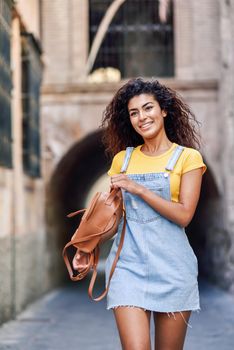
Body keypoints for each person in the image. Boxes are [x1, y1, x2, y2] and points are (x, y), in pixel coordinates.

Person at [101, 77, 207, 350]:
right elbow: (113, 219)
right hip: (128, 266)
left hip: (173, 267)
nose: (141, 117)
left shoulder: (188, 158)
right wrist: (86, 245)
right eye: (134, 112)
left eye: (148, 108)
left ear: (163, 110)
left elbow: (184, 215)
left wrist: (139, 189)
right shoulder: (122, 160)